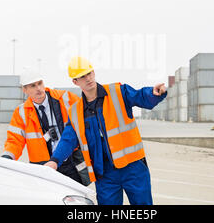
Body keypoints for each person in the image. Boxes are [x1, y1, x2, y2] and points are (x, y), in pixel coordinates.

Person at [45, 57, 167, 205]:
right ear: (75, 82)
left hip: (133, 167)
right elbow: (68, 139)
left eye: (89, 73)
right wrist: (54, 161)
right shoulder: (76, 111)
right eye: (82, 76)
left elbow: (140, 96)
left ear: (94, 72)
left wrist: (154, 94)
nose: (88, 78)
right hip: (104, 173)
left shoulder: (118, 92)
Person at [2, 68, 85, 183]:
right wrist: (7, 157)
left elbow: (86, 119)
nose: (39, 89)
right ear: (24, 89)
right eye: (33, 86)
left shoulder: (66, 98)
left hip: (69, 163)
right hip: (42, 167)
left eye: (40, 83)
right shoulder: (21, 112)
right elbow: (14, 140)